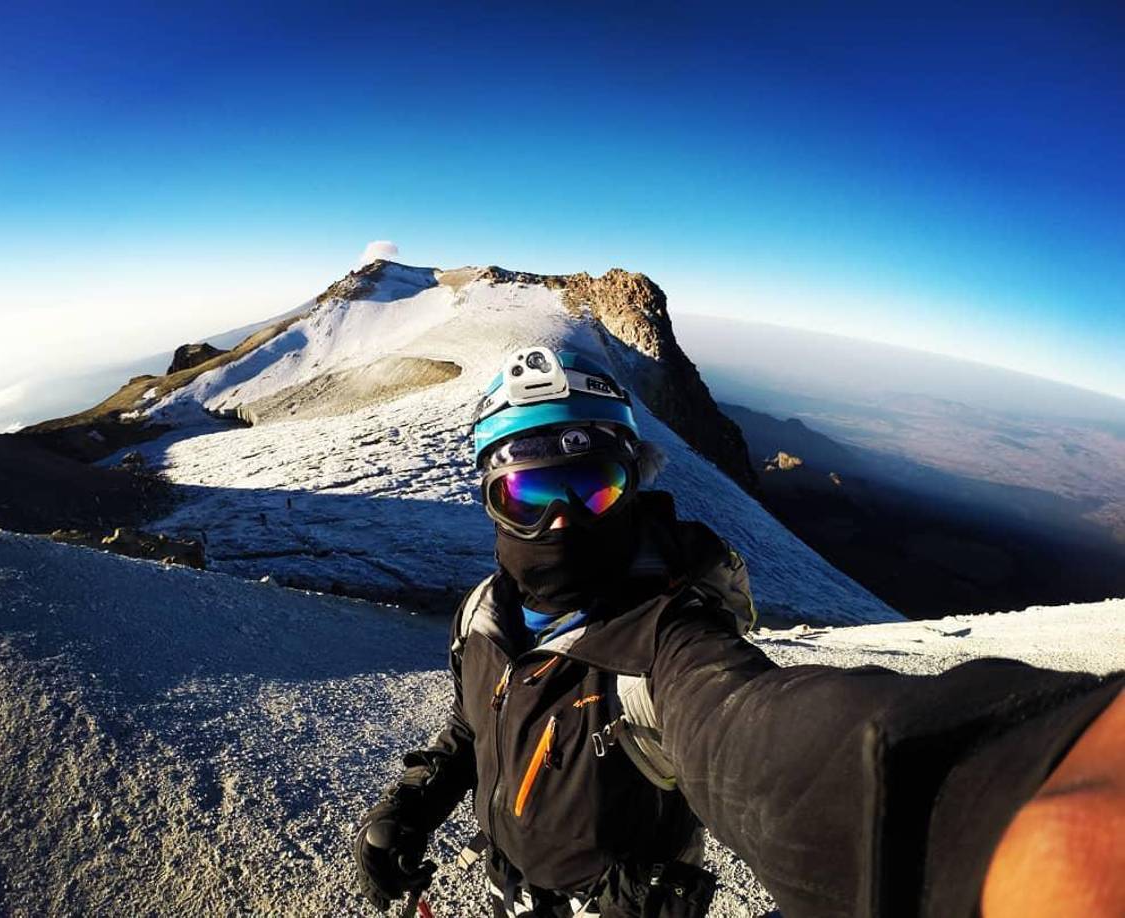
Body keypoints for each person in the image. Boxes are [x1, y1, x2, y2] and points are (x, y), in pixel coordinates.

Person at [354, 346, 1124, 918]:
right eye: (529, 493)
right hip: (511, 890)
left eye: (595, 487)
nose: (562, 519)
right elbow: (474, 722)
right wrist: (413, 804)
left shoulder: (663, 640)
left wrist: (1002, 791)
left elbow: (756, 727)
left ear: (633, 489)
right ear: (491, 497)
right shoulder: (484, 616)